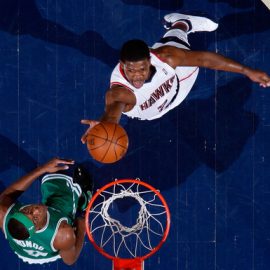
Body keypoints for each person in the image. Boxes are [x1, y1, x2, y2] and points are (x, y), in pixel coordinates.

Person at [80, 13, 270, 142]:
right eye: (131, 71)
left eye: (142, 69)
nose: (137, 76)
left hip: (179, 80)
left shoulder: (165, 56)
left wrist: (247, 71)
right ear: (122, 65)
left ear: (150, 60)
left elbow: (205, 59)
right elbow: (113, 113)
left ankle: (182, 23)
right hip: (155, 109)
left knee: (179, 44)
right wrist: (103, 126)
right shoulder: (120, 93)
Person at [0, 157, 93, 265]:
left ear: (16, 212)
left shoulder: (3, 214)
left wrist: (42, 169)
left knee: (52, 178)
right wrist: (81, 228)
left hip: (21, 248)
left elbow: (6, 195)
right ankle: (84, 202)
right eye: (35, 218)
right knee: (67, 201)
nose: (35, 210)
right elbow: (70, 260)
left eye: (27, 211)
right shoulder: (62, 234)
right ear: (37, 228)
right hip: (49, 248)